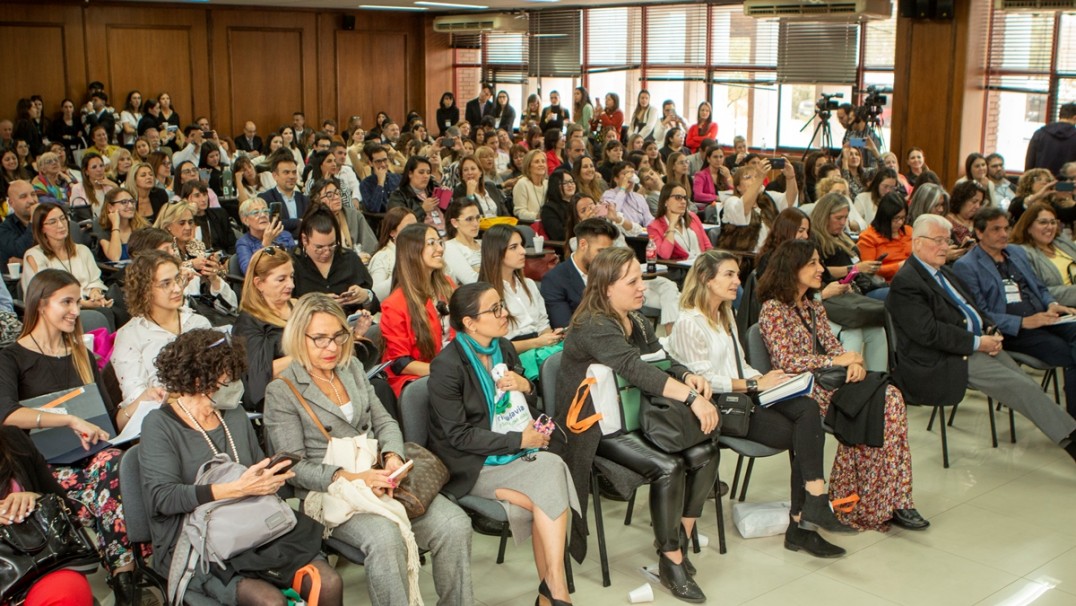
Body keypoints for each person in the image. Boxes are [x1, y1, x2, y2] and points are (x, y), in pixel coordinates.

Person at [553, 247, 719, 602]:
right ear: (607, 288)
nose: (642, 287)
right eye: (632, 281)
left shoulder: (635, 318)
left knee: (705, 449)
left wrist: (688, 375)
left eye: (641, 278)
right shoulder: (593, 325)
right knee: (668, 466)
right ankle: (670, 559)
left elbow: (660, 358)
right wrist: (691, 398)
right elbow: (636, 369)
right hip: (593, 427)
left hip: (634, 412)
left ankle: (682, 535)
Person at [139, 329, 343, 605]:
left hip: (256, 523)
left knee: (329, 583)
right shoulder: (159, 425)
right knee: (269, 601)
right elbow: (163, 498)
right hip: (197, 541)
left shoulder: (233, 415)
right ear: (199, 380)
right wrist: (236, 488)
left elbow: (254, 470)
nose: (236, 384)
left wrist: (270, 479)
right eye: (227, 379)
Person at [668, 250, 852, 556]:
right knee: (802, 432)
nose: (737, 282)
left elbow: (738, 364)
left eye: (737, 275)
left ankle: (810, 509)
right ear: (705, 278)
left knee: (807, 408)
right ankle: (803, 521)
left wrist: (770, 378)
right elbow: (701, 381)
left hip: (743, 396)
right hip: (714, 407)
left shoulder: (724, 314)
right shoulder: (690, 322)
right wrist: (754, 384)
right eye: (729, 274)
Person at [428, 283, 577, 605]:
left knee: (551, 473)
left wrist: (525, 386)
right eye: (494, 309)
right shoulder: (447, 366)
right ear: (469, 322)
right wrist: (519, 439)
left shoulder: (505, 348)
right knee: (552, 490)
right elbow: (458, 436)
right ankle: (553, 593)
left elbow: (523, 403)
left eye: (501, 305)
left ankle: (553, 592)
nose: (504, 313)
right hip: (472, 462)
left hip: (514, 452)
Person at [758, 240, 923, 531]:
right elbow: (785, 360)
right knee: (872, 407)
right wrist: (834, 362)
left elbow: (835, 348)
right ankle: (877, 501)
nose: (820, 269)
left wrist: (854, 362)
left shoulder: (813, 307)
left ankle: (895, 499)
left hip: (829, 382)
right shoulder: (773, 309)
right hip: (801, 388)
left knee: (892, 398)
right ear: (791, 268)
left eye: (819, 262)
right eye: (812, 263)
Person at [887, 214, 1076, 461]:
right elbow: (929, 333)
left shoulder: (943, 272)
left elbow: (974, 308)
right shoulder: (907, 282)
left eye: (947, 240)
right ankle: (1071, 439)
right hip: (944, 357)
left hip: (973, 345)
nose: (945, 247)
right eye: (938, 241)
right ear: (918, 242)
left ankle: (1066, 430)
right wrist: (978, 342)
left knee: (1026, 383)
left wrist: (990, 329)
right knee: (1021, 387)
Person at [0, 270, 139, 604]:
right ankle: (125, 575)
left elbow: (109, 420)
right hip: (43, 466)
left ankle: (125, 581)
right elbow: (5, 415)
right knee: (108, 477)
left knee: (117, 463)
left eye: (77, 301)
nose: (76, 310)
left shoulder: (82, 355)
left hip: (93, 459)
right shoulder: (11, 357)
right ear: (40, 303)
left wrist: (142, 404)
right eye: (67, 302)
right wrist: (68, 420)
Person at [953, 206, 1076, 418]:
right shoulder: (967, 266)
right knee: (1068, 354)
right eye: (996, 229)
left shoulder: (1016, 253)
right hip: (1013, 331)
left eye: (1006, 228)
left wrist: (1052, 303)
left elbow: (1040, 288)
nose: (1004, 234)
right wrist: (1024, 322)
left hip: (1045, 318)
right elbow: (980, 313)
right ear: (980, 233)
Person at [0, 426, 96, 606]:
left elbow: (63, 506)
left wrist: (35, 499)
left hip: (35, 564)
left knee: (66, 591)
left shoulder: (12, 439)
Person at [112, 250, 208, 419]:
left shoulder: (199, 323)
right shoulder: (130, 336)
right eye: (166, 284)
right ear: (145, 290)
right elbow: (136, 398)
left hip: (207, 409)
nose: (177, 288)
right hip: (163, 419)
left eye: (178, 279)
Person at [381, 223, 456, 397]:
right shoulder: (395, 304)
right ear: (412, 251)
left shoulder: (447, 285)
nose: (439, 248)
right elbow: (400, 363)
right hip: (419, 379)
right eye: (431, 243)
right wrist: (446, 371)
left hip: (450, 369)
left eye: (439, 242)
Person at [22, 203, 119, 327]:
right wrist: (82, 303)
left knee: (112, 308)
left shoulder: (82, 250)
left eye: (63, 218)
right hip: (56, 312)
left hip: (86, 303)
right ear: (41, 228)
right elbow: (46, 296)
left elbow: (94, 281)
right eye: (52, 222)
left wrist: (95, 293)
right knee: (100, 315)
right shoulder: (34, 256)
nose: (61, 225)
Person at [477, 225, 561, 357]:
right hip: (511, 357)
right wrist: (537, 343)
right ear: (496, 252)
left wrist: (550, 337)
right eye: (513, 247)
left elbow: (543, 325)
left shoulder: (529, 284)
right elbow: (494, 346)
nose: (523, 251)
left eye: (521, 245)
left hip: (540, 348)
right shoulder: (485, 295)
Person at [234, 247, 295, 411]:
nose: (291, 284)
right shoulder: (249, 324)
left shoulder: (300, 308)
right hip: (281, 401)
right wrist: (304, 356)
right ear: (259, 283)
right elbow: (258, 379)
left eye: (291, 276)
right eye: (281, 279)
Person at [291, 206, 377, 313]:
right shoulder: (291, 264)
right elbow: (282, 306)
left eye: (332, 245)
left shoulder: (350, 259)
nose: (327, 252)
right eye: (319, 247)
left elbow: (375, 305)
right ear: (304, 239)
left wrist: (365, 297)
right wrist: (315, 304)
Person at [810, 193, 887, 301]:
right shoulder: (815, 240)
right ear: (824, 216)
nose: (843, 222)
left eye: (846, 217)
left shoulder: (844, 236)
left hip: (861, 287)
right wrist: (855, 269)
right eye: (838, 218)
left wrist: (867, 268)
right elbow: (822, 271)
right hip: (842, 294)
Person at [722, 161, 797, 253]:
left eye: (756, 176)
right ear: (738, 187)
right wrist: (760, 178)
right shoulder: (731, 201)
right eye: (748, 177)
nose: (754, 180)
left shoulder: (768, 198)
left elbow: (789, 202)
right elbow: (742, 209)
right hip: (744, 257)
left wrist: (790, 177)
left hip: (770, 254)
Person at [1010, 202, 1076, 306]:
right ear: (1028, 227)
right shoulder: (1023, 253)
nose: (1050, 227)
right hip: (1062, 310)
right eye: (1043, 222)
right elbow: (1037, 292)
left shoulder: (1061, 242)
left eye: (1053, 222)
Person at [647, 183, 712, 261]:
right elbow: (665, 254)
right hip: (681, 269)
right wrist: (671, 225)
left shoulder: (692, 217)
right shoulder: (654, 226)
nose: (683, 202)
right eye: (678, 197)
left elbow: (708, 246)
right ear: (665, 201)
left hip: (702, 266)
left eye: (685, 198)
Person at [857, 192, 912, 282]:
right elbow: (868, 271)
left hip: (911, 279)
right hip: (885, 284)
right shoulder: (868, 237)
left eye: (903, 218)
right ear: (885, 217)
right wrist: (899, 266)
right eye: (896, 218)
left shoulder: (909, 231)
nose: (900, 222)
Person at [235, 197, 295, 274]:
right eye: (256, 213)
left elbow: (297, 263)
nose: (263, 215)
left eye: (266, 211)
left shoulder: (285, 235)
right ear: (245, 220)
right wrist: (266, 244)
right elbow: (248, 271)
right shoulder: (244, 243)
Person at [261, 154, 310, 238]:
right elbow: (273, 225)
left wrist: (287, 223)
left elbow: (309, 223)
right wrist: (298, 222)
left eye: (294, 172)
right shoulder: (266, 198)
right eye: (286, 172)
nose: (291, 176)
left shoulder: (304, 199)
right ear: (275, 176)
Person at [183, 180, 236, 254]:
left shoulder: (220, 214)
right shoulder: (183, 221)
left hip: (221, 257)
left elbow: (231, 245)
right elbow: (187, 247)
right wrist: (191, 213)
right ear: (186, 200)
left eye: (205, 194)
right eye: (197, 196)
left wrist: (227, 261)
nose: (203, 199)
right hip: (196, 259)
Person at [97, 188, 149, 262]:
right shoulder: (104, 233)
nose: (130, 205)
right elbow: (115, 258)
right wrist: (115, 225)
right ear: (110, 207)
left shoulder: (143, 229)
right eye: (124, 202)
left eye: (132, 201)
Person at [1025, 101, 1076, 177]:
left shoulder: (1040, 133)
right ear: (1074, 117)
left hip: (1042, 182)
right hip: (1069, 184)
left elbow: (1030, 162)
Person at [442, 198, 483, 286]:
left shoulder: (484, 243)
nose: (476, 223)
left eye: (478, 217)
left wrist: (478, 269)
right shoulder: (450, 247)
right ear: (454, 223)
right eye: (469, 219)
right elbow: (473, 281)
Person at [601, 161, 653, 229]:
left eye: (632, 173)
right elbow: (613, 213)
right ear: (616, 179)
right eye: (625, 173)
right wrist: (623, 189)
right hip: (620, 235)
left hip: (640, 235)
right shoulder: (608, 194)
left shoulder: (639, 197)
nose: (630, 176)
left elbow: (649, 220)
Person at [0, 180, 39, 265]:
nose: (32, 201)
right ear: (11, 203)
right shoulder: (4, 228)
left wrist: (24, 262)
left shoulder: (49, 221)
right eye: (23, 196)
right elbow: (21, 252)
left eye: (33, 194)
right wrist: (33, 220)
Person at [69, 152, 117, 219]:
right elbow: (77, 216)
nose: (99, 170)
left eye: (101, 165)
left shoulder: (110, 187)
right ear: (86, 172)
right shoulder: (77, 188)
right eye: (94, 167)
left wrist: (115, 186)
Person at [947, 180, 986, 248]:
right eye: (974, 201)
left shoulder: (979, 221)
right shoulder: (946, 222)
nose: (977, 206)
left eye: (980, 203)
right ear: (961, 200)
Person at [513, 149, 549, 221]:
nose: (541, 164)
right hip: (530, 225)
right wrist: (538, 216)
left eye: (543, 161)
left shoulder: (547, 183)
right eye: (536, 162)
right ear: (528, 166)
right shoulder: (522, 184)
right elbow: (519, 212)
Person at [539, 170, 575, 242]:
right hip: (565, 247)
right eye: (564, 183)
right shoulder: (549, 209)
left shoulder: (578, 203)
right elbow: (559, 235)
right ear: (555, 186)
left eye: (571, 181)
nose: (570, 185)